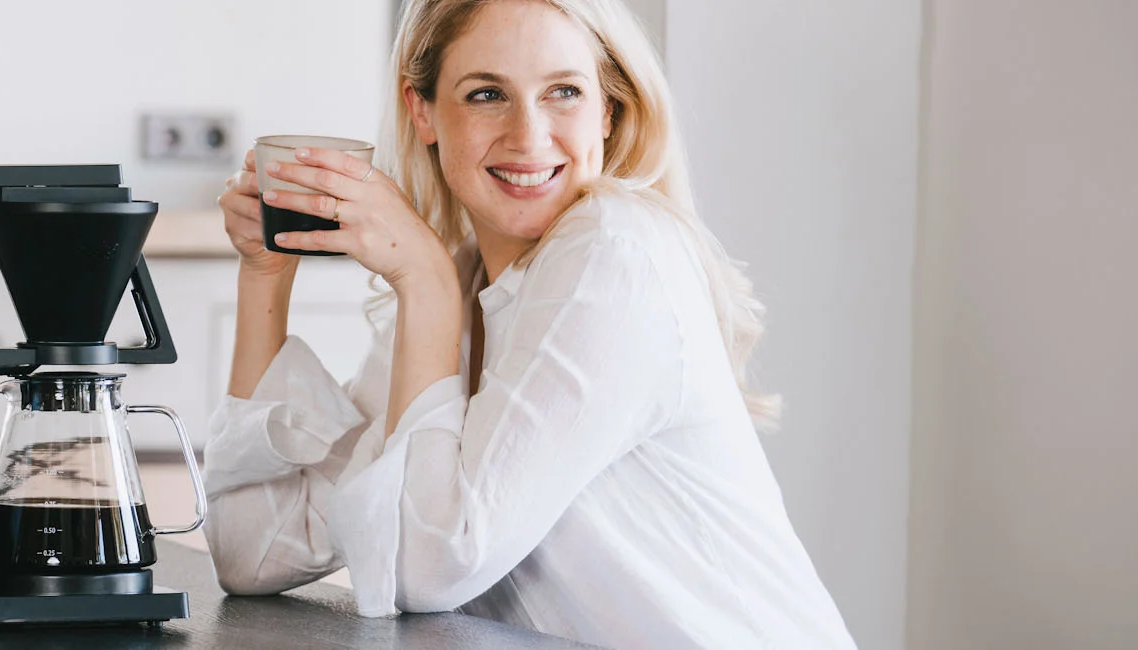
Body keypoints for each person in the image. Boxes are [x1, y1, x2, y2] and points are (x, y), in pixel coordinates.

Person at [202, 0, 856, 647]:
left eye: (564, 92)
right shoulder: (466, 284)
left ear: (607, 110)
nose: (529, 136)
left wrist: (423, 281)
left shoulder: (615, 255)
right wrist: (266, 270)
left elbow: (431, 565)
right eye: (487, 94)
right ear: (422, 111)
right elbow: (251, 550)